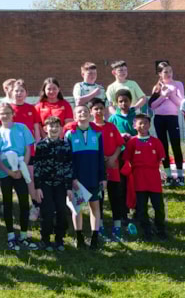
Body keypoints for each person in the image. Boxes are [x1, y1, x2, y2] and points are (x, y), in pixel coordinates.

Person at [0, 102, 38, 251]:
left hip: (21, 169)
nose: (5, 116)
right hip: (6, 173)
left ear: (12, 114)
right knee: (8, 204)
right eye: (2, 113)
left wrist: (22, 166)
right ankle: (11, 235)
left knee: (24, 203)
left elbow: (28, 149)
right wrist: (9, 171)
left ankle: (24, 235)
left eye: (7, 113)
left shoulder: (22, 128)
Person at [65, 103, 106, 250]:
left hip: (94, 177)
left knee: (95, 207)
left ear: (90, 115)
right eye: (79, 112)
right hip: (77, 180)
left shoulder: (97, 134)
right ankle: (79, 236)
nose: (82, 113)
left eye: (85, 111)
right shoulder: (69, 134)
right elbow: (67, 159)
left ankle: (95, 237)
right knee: (77, 209)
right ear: (75, 117)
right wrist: (72, 178)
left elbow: (101, 157)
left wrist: (103, 178)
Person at [31, 116, 73, 251]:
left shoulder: (65, 145)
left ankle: (59, 239)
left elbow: (68, 166)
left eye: (56, 126)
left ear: (60, 128)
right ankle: (45, 239)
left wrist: (69, 187)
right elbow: (37, 167)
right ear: (45, 128)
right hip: (45, 185)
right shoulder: (41, 146)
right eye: (51, 126)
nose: (54, 129)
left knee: (62, 211)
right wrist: (37, 187)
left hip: (61, 184)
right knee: (47, 213)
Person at [122, 112, 167, 240]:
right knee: (141, 207)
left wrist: (162, 171)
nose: (143, 125)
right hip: (138, 179)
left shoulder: (156, 142)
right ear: (134, 125)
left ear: (149, 125)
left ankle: (160, 229)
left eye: (146, 123)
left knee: (158, 206)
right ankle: (146, 230)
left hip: (154, 179)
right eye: (140, 123)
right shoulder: (132, 142)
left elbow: (162, 159)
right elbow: (126, 160)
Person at [90, 98, 127, 243]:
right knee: (98, 198)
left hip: (113, 167)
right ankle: (99, 226)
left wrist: (113, 157)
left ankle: (117, 226)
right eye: (95, 108)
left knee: (115, 197)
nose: (99, 111)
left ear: (105, 109)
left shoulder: (111, 127)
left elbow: (120, 144)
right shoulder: (90, 127)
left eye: (101, 108)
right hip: (97, 169)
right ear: (91, 111)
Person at [149, 62, 185, 185]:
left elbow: (181, 103)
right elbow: (152, 105)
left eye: (170, 71)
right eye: (165, 72)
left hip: (172, 118)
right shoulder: (157, 87)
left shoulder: (177, 84)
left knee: (176, 144)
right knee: (163, 146)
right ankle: (168, 175)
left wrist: (170, 95)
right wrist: (162, 96)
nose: (169, 74)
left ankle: (180, 175)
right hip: (159, 118)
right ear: (160, 74)